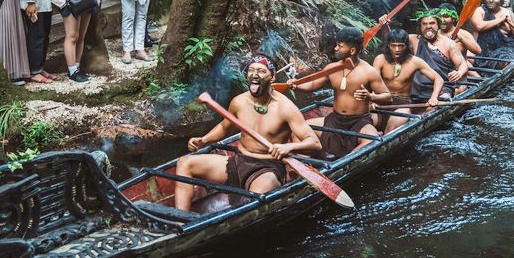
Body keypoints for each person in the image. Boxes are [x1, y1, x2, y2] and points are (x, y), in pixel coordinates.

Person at [174, 54, 322, 211]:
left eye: (261, 71)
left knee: (254, 200)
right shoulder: (239, 102)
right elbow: (225, 128)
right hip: (239, 161)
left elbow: (314, 143)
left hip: (267, 167)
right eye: (251, 70)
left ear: (272, 77)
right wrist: (204, 140)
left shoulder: (285, 108)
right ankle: (179, 222)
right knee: (185, 163)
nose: (255, 74)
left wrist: (288, 147)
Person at [289, 27, 391, 158]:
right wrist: (296, 86)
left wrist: (371, 96)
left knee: (372, 140)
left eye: (340, 46)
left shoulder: (369, 72)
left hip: (359, 122)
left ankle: (349, 161)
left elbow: (388, 97)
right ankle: (316, 163)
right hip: (335, 120)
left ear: (352, 50)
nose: (336, 48)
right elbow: (313, 86)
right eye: (337, 45)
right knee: (299, 132)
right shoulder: (332, 68)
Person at [371, 29, 443, 133]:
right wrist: (372, 98)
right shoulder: (380, 59)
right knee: (367, 123)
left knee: (390, 130)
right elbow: (373, 81)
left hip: (402, 104)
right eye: (393, 45)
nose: (397, 49)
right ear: (388, 46)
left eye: (401, 46)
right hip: (381, 101)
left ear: (406, 46)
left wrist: (433, 98)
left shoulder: (414, 61)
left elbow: (438, 78)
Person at [409, 13, 470, 99]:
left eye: (432, 23)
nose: (428, 26)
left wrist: (459, 73)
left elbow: (463, 64)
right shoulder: (414, 40)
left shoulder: (448, 43)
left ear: (438, 25)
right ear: (420, 26)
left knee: (442, 100)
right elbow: (394, 41)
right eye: (425, 24)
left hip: (443, 87)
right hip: (418, 86)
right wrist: (384, 26)